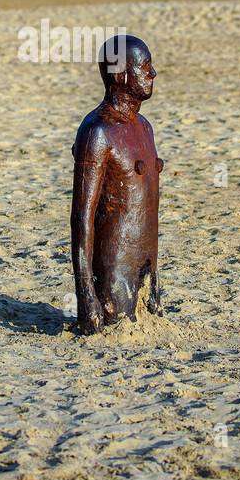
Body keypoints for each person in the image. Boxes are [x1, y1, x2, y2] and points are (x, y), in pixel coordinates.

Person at [71, 36, 162, 333]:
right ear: (121, 75)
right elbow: (82, 218)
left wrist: (154, 276)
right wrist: (86, 297)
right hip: (115, 274)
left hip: (146, 268)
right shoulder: (98, 132)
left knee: (146, 321)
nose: (153, 73)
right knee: (118, 324)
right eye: (145, 66)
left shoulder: (144, 127)